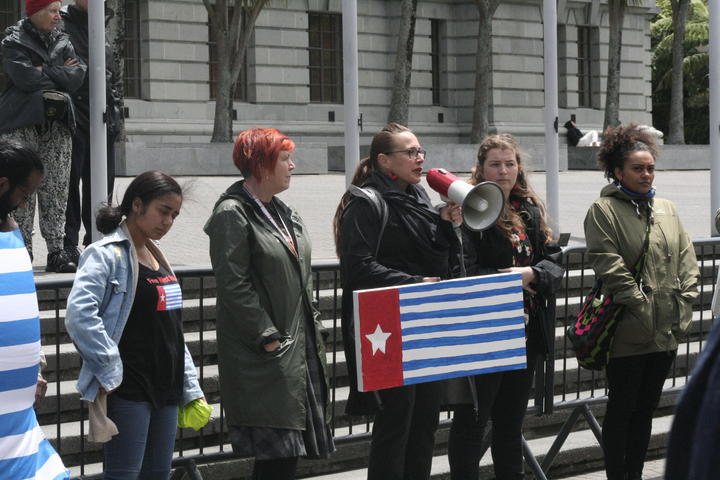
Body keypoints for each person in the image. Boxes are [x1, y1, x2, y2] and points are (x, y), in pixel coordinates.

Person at [333, 123, 461, 480]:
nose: (420, 159)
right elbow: (358, 268)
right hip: (385, 327)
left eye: (421, 151)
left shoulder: (420, 199)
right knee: (396, 424)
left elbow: (436, 262)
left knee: (424, 423)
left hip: (421, 323)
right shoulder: (364, 201)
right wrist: (413, 283)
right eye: (411, 153)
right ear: (385, 160)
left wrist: (447, 228)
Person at [204, 128, 334, 480]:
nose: (293, 165)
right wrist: (267, 335)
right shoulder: (233, 213)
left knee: (286, 457)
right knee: (274, 458)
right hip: (266, 353)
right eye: (285, 159)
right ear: (261, 165)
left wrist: (313, 324)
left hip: (294, 346)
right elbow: (234, 284)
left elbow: (301, 276)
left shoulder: (282, 211)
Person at [64, 171, 204, 479]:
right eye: (163, 212)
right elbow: (79, 315)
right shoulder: (105, 254)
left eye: (174, 215)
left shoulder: (157, 256)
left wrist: (189, 384)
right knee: (125, 474)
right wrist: (110, 370)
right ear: (137, 205)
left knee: (158, 474)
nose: (168, 222)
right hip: (129, 388)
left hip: (166, 386)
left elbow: (172, 329)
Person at [583, 124, 699, 480]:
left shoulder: (666, 207)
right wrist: (641, 305)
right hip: (627, 331)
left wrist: (686, 301)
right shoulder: (603, 210)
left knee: (646, 410)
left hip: (665, 330)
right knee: (623, 409)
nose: (646, 174)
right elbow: (609, 264)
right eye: (637, 168)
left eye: (650, 167)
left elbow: (686, 257)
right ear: (617, 172)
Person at [446, 134, 564, 480]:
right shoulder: (471, 207)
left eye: (510, 163)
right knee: (472, 422)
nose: (503, 171)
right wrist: (506, 280)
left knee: (510, 426)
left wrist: (531, 272)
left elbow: (554, 263)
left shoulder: (527, 209)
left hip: (525, 333)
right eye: (495, 164)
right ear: (480, 169)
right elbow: (460, 269)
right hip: (485, 332)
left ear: (519, 167)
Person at [0, 140, 69, 478]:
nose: (26, 203)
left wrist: (34, 366)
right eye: (25, 194)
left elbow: (21, 307)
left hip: (18, 426)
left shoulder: (11, 231)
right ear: (2, 184)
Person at [0, 0, 86, 272]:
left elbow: (76, 77)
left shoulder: (64, 39)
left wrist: (42, 71)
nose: (57, 16)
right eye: (51, 10)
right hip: (22, 119)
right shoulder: (13, 40)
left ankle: (57, 250)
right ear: (34, 12)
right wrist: (59, 72)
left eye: (58, 10)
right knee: (21, 185)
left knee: (58, 186)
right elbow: (23, 78)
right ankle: (21, 247)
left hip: (59, 121)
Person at [60, 0, 122, 262]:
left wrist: (116, 112)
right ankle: (68, 244)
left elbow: (113, 75)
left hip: (102, 115)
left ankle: (98, 238)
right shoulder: (61, 26)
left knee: (102, 182)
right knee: (70, 182)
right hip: (74, 113)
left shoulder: (102, 24)